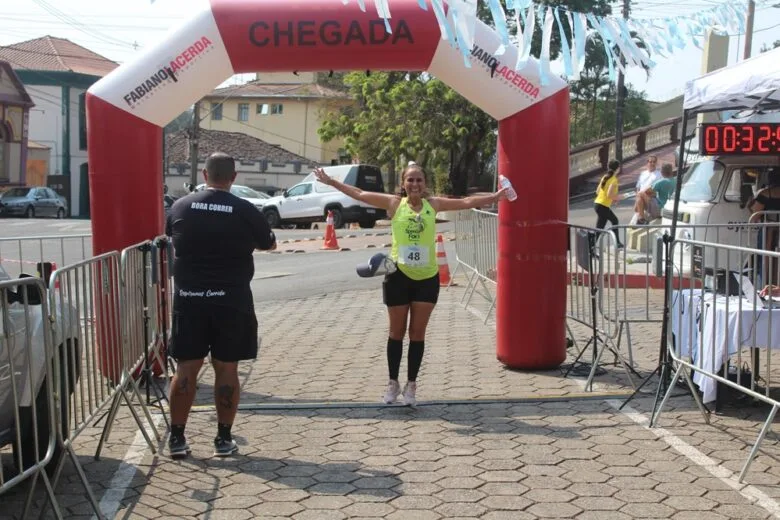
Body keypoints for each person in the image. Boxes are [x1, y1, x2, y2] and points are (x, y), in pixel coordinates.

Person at [313, 163, 508, 406]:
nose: (415, 184)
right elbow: (360, 194)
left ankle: (412, 385)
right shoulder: (394, 204)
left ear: (425, 184)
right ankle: (393, 383)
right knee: (397, 332)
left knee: (417, 333)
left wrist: (497, 197)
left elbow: (467, 202)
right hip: (398, 276)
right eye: (410, 180)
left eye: (419, 180)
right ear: (403, 184)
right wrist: (331, 182)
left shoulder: (434, 205)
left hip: (427, 278)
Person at [165, 152, 277, 459]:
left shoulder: (181, 206)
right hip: (232, 300)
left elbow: (171, 238)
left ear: (204, 174)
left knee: (186, 367)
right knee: (227, 368)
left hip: (190, 300)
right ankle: (223, 439)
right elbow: (269, 243)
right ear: (234, 177)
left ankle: (176, 437)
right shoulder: (243, 209)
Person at [593, 159, 626, 248]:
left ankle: (590, 247)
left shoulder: (605, 177)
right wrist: (619, 197)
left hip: (598, 204)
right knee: (614, 220)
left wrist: (613, 199)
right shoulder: (613, 180)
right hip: (602, 206)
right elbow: (609, 195)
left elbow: (597, 191)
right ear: (618, 169)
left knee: (599, 228)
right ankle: (617, 243)